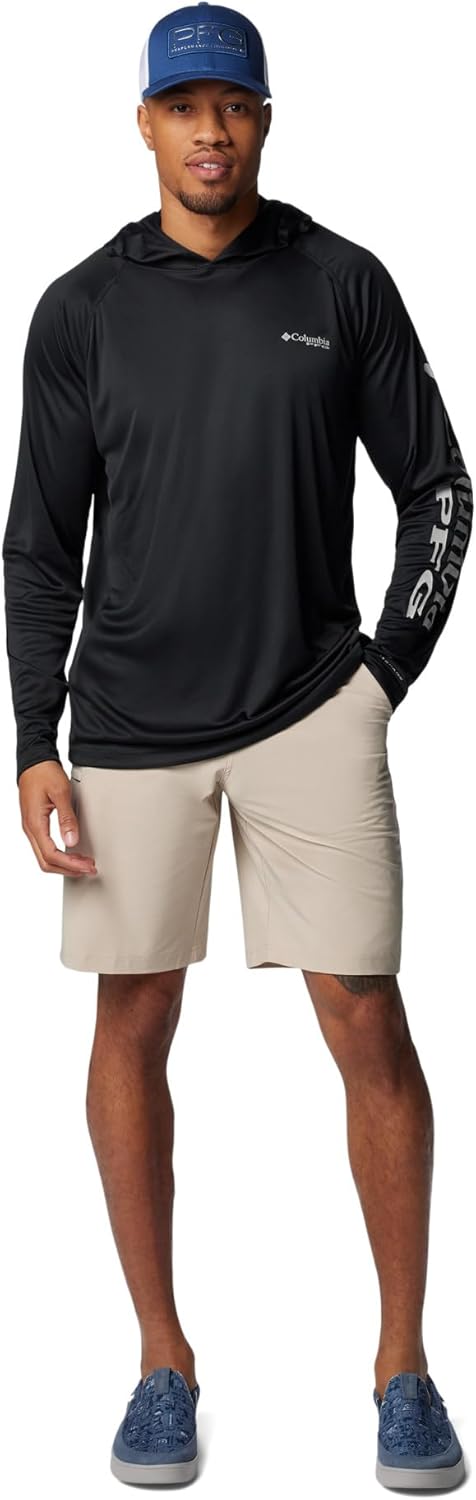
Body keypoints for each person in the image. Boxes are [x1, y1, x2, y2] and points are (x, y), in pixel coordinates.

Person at [2, 1, 472, 1489]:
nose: (211, 130)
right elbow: (38, 547)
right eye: (185, 105)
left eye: (236, 105)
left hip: (309, 711)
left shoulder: (342, 282)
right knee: (131, 1024)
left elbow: (440, 488)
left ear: (267, 120)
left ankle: (403, 1369)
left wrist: (384, 674)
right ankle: (162, 1363)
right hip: (127, 729)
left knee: (365, 1019)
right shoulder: (81, 309)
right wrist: (33, 740)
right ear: (144, 124)